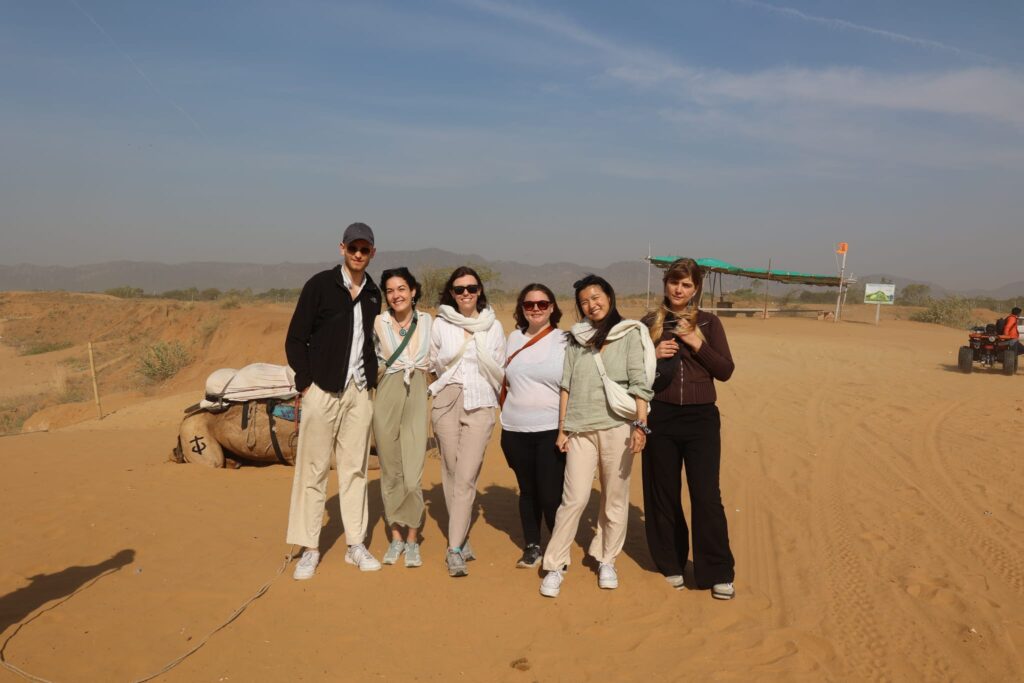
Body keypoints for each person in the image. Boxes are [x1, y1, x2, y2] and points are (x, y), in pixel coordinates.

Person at [539, 275, 655, 598]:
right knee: (574, 498)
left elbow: (640, 384)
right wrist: (562, 428)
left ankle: (607, 558)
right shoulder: (577, 339)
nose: (592, 304)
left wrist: (641, 426)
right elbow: (567, 385)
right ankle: (554, 564)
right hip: (580, 428)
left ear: (609, 295)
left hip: (619, 426)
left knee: (614, 498)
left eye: (596, 296)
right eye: (584, 301)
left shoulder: (629, 333)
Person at [285, 222, 383, 580]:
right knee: (312, 470)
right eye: (353, 248)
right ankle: (309, 548)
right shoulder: (320, 286)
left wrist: (370, 382)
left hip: (358, 393)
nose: (359, 254)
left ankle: (355, 544)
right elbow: (296, 338)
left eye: (365, 249)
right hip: (322, 391)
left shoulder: (373, 292)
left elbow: (371, 343)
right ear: (342, 248)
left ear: (373, 253)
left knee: (354, 468)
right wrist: (307, 383)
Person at [642, 257, 736, 600]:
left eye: (686, 285)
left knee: (706, 494)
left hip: (701, 419)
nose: (679, 289)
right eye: (674, 282)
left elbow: (725, 370)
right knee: (662, 492)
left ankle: (717, 570)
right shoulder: (649, 322)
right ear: (665, 283)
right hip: (660, 415)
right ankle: (671, 563)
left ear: (695, 289)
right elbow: (632, 371)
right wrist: (653, 352)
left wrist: (697, 343)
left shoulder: (710, 324)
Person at [429, 266, 506, 577]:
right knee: (449, 469)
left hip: (481, 402)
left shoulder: (494, 326)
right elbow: (433, 362)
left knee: (466, 474)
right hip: (447, 399)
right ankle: (461, 533)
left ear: (479, 291)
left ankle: (454, 548)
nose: (465, 294)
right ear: (451, 292)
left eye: (471, 288)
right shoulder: (440, 324)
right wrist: (447, 388)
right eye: (459, 289)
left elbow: (498, 364)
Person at [500, 284, 568, 568]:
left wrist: (566, 429)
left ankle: (557, 549)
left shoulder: (565, 340)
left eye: (542, 304)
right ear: (522, 308)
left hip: (551, 429)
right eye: (530, 305)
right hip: (515, 430)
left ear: (552, 307)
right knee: (527, 491)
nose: (536, 309)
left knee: (551, 493)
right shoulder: (512, 338)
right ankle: (532, 546)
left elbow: (573, 385)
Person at [372, 267, 432, 569]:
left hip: (417, 390)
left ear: (413, 291)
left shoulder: (428, 322)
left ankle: (413, 538)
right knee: (390, 470)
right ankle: (396, 536)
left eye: (402, 289)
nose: (396, 295)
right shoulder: (378, 322)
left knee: (412, 473)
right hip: (387, 392)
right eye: (391, 290)